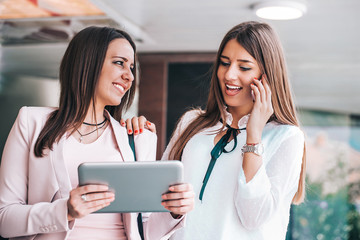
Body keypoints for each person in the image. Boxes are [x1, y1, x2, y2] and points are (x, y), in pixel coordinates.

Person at [0, 26, 194, 240]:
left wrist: (174, 212)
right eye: (120, 63)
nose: (129, 76)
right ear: (88, 62)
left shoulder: (138, 138)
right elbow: (4, 219)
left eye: (131, 68)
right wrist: (65, 210)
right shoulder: (31, 123)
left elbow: (143, 229)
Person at [127, 21, 306, 239]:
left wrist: (254, 136)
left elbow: (253, 218)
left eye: (244, 67)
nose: (229, 75)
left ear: (267, 76)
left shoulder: (286, 137)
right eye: (224, 63)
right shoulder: (191, 123)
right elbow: (156, 211)